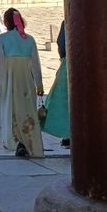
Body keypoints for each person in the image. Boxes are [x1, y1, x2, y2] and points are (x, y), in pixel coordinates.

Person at [0, 8, 44, 158]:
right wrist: (39, 85)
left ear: (6, 22)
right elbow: (36, 65)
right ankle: (26, 142)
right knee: (26, 110)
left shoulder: (1, 39)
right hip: (26, 81)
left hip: (9, 80)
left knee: (11, 110)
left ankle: (16, 141)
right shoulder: (29, 39)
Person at [42, 20, 70, 148]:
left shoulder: (67, 21)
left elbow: (61, 43)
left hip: (67, 65)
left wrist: (63, 58)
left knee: (64, 102)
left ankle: (68, 134)